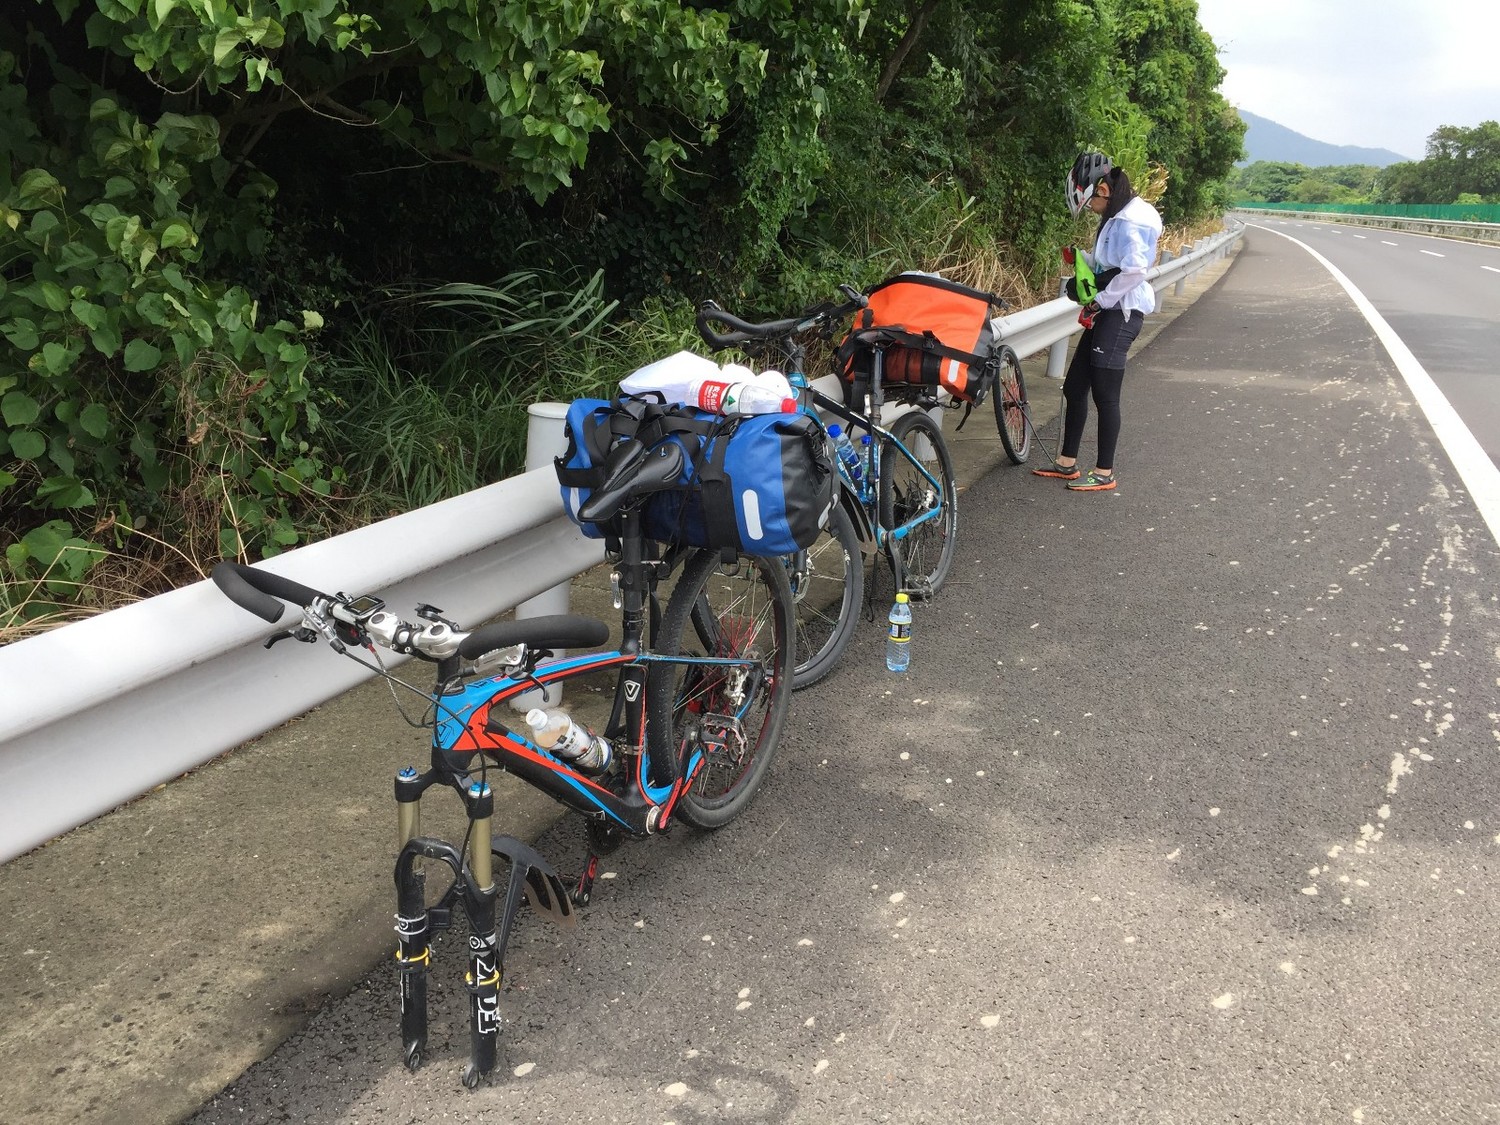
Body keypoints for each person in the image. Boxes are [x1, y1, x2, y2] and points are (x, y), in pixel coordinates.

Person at [1033, 151, 1163, 492]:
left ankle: (1105, 472)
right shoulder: (1117, 214)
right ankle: (1067, 464)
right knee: (1075, 387)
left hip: (1121, 314)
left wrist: (1100, 299)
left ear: (1103, 190)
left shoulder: (1132, 220)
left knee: (1106, 396)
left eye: (1089, 203)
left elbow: (1134, 269)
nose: (1090, 209)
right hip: (1107, 311)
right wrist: (1082, 260)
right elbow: (1111, 264)